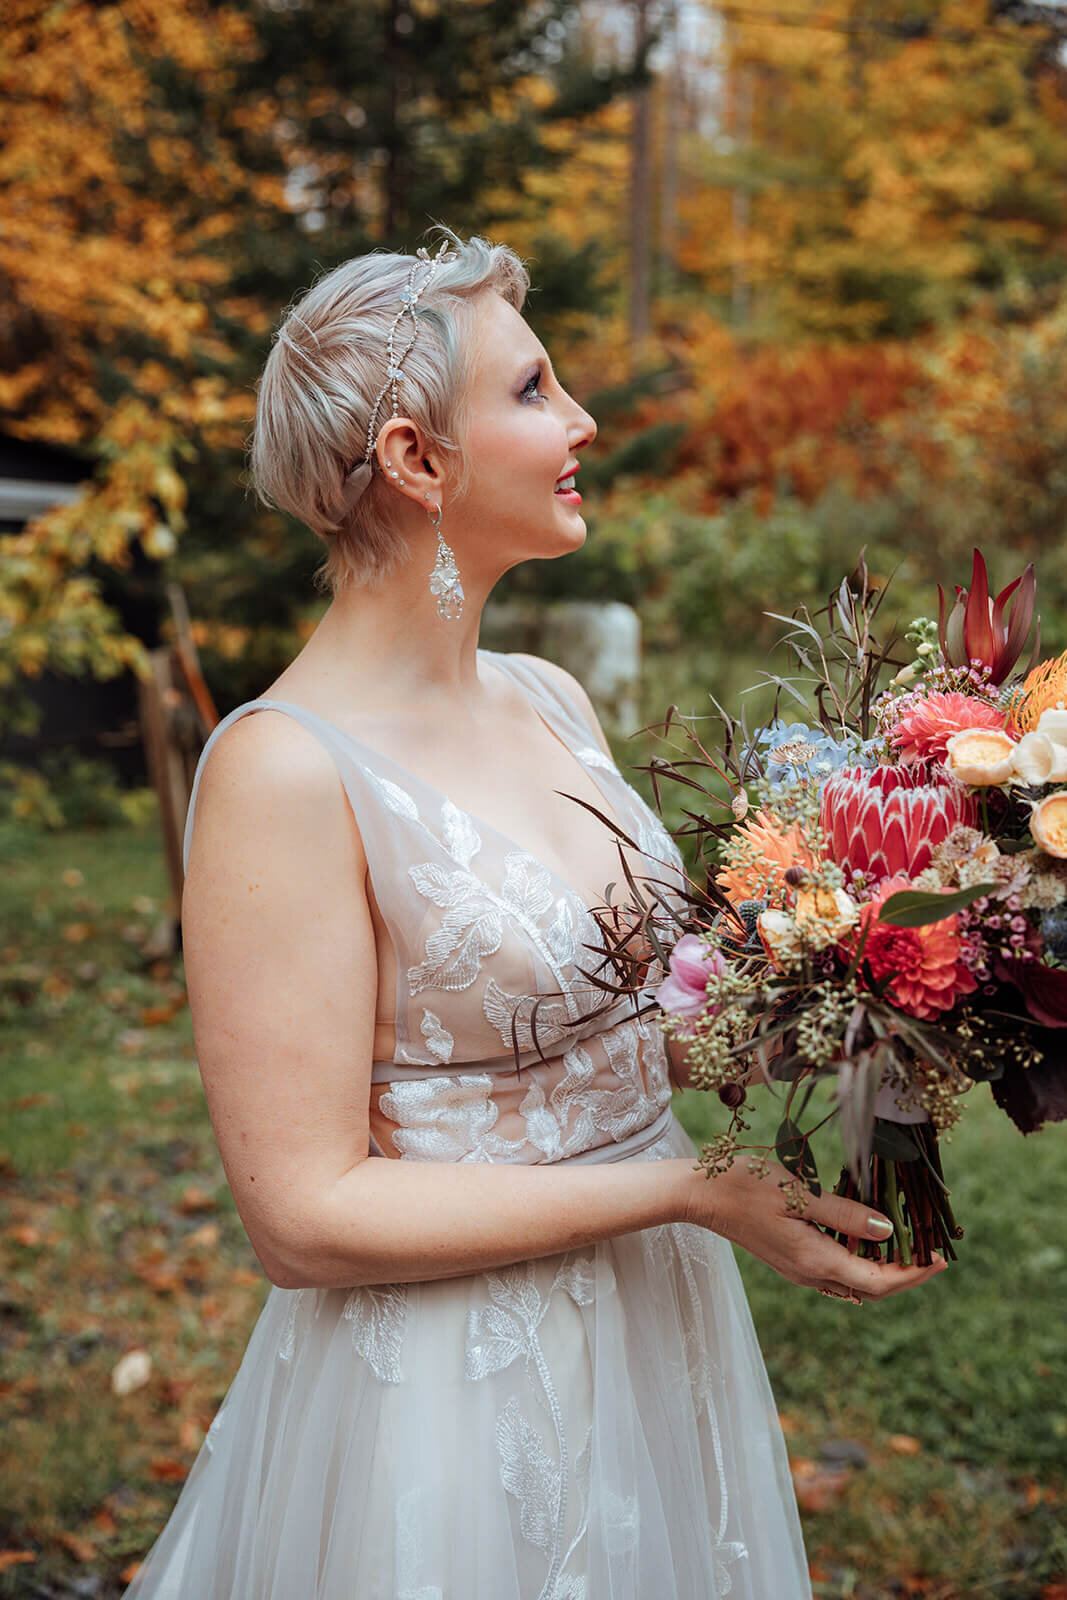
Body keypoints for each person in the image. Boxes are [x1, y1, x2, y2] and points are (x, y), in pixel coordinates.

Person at [122, 226, 946, 1600]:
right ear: (415, 462)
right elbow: (301, 1215)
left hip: (654, 1318)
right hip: (450, 1384)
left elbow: (613, 1035)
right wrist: (688, 1190)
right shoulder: (285, 767)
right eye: (533, 390)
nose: (583, 420)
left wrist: (886, 987)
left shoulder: (548, 701)